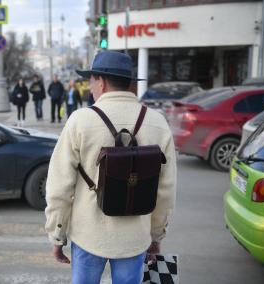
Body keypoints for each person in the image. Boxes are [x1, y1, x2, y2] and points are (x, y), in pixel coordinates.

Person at [44, 51, 177, 284]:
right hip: (135, 238)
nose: (91, 87)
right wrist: (156, 235)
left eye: (91, 81)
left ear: (101, 82)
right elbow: (165, 190)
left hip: (88, 235)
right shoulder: (157, 122)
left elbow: (60, 186)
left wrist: (57, 234)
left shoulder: (80, 120)